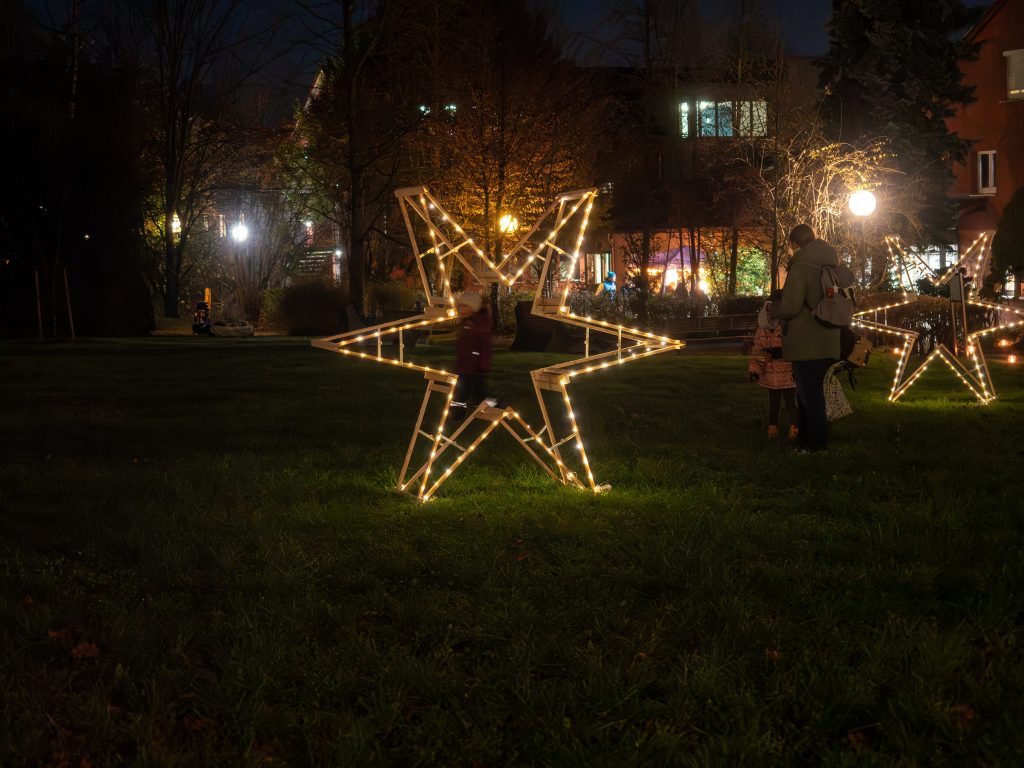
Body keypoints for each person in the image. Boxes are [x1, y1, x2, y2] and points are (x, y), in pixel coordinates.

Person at [769, 224, 840, 452]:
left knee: (809, 396)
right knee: (813, 393)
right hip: (828, 337)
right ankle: (807, 444)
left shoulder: (801, 268)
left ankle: (815, 446)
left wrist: (772, 310)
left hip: (806, 341)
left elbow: (790, 306)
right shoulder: (829, 265)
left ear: (794, 244)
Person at [748, 291, 798, 441]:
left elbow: (795, 345)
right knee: (773, 400)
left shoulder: (789, 325)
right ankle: (772, 426)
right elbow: (758, 348)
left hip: (788, 370)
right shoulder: (763, 327)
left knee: (790, 400)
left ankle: (795, 427)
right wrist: (754, 368)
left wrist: (781, 352)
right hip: (770, 372)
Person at [449, 291, 494, 425]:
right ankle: (456, 415)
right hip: (464, 367)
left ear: (474, 308)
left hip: (475, 368)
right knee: (462, 392)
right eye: (460, 306)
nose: (461, 309)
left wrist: (483, 365)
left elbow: (485, 348)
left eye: (465, 306)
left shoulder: (480, 325)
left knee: (476, 393)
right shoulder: (466, 324)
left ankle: (495, 405)